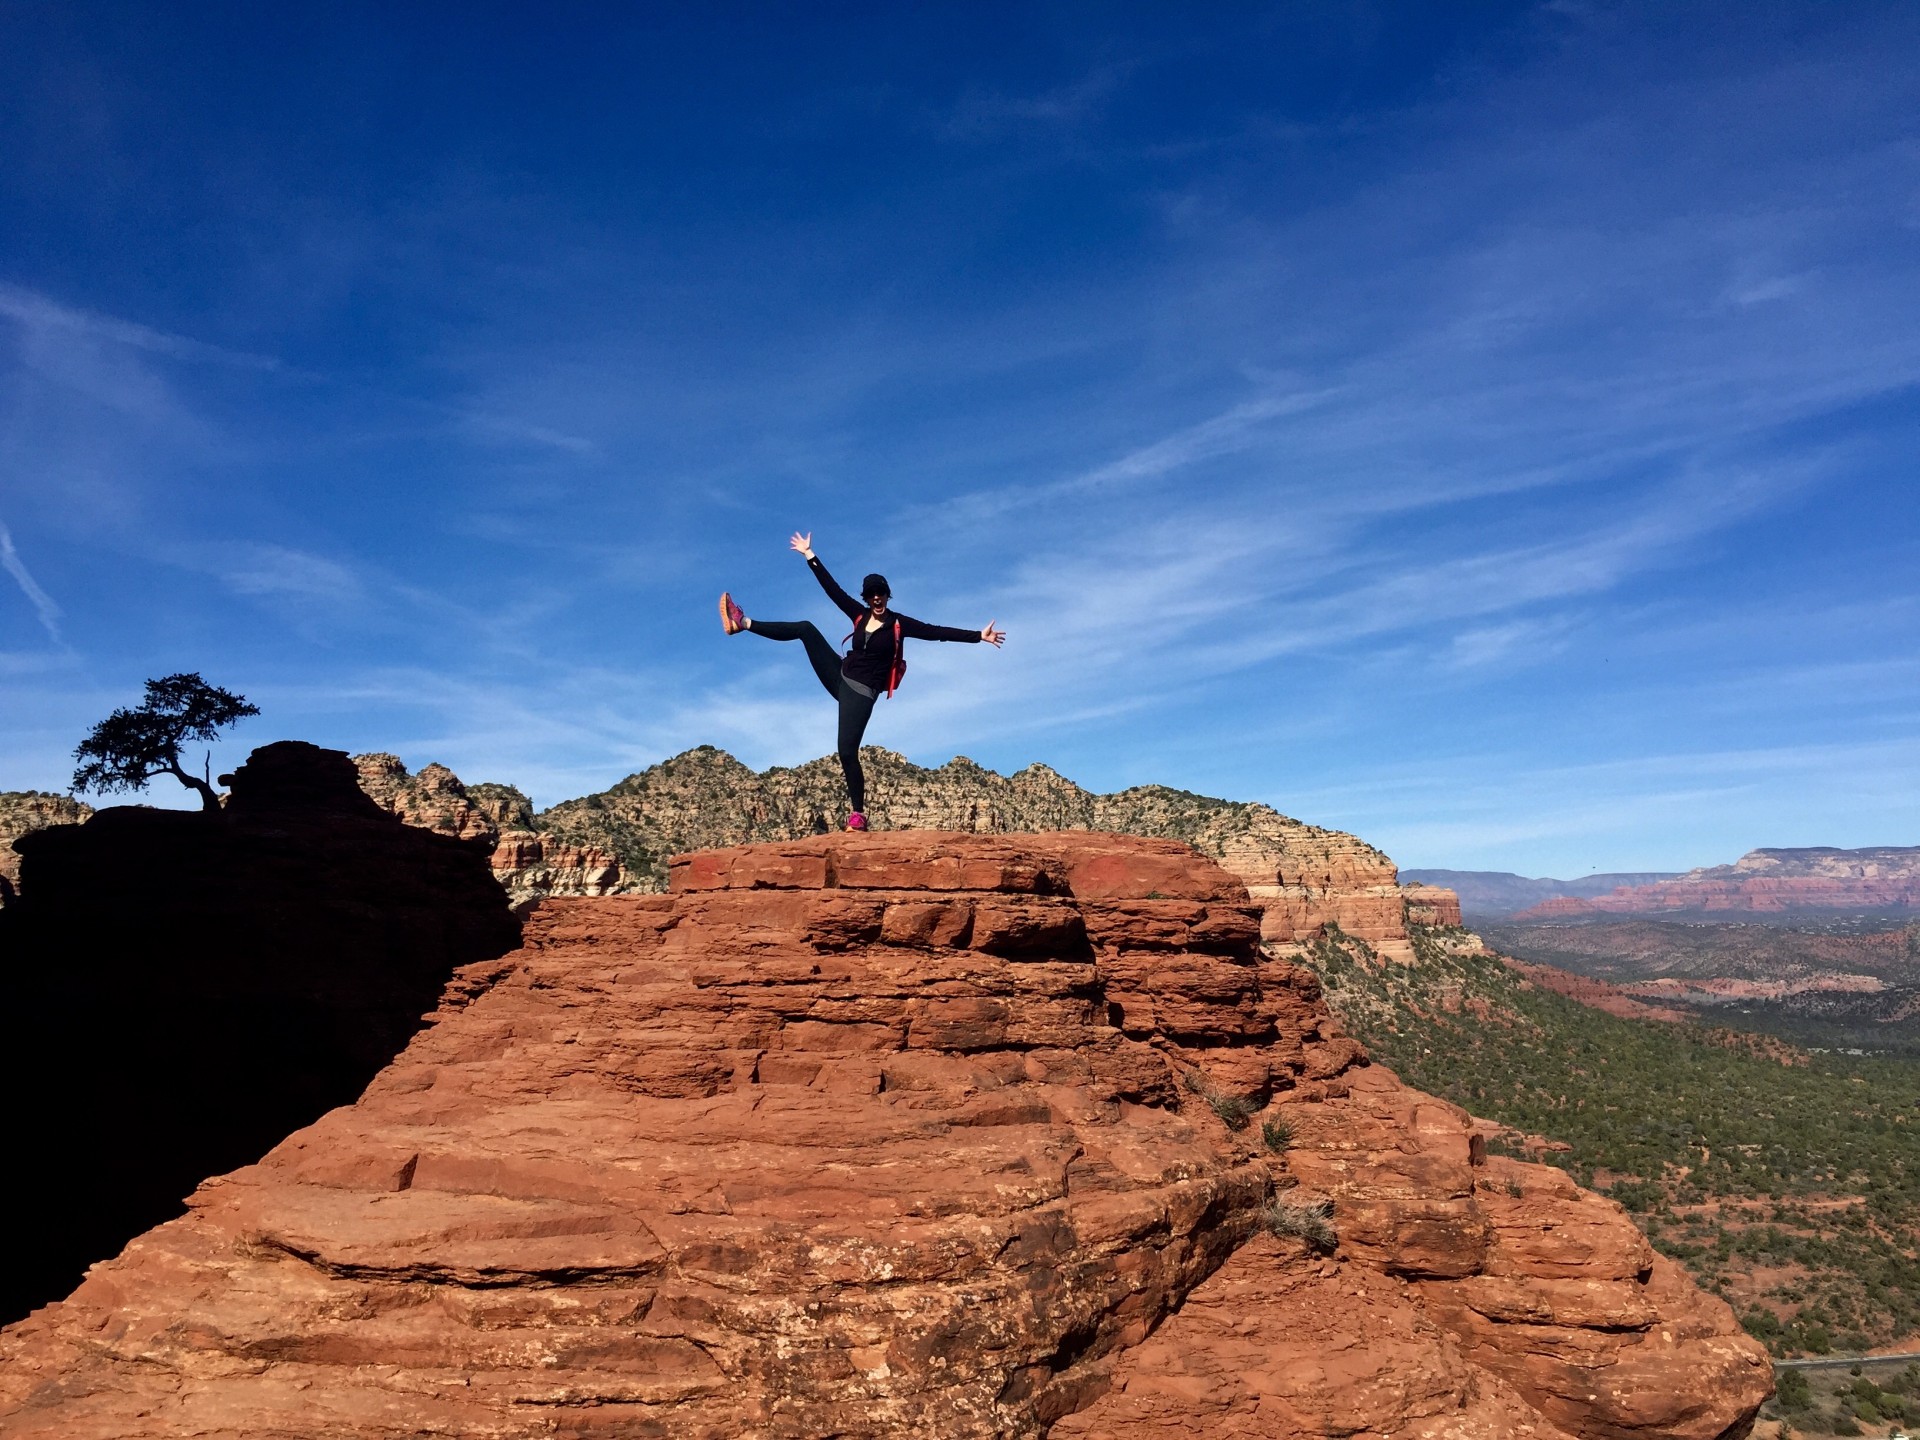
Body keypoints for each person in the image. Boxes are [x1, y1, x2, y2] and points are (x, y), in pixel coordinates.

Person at [720, 531, 1005, 831]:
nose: (876, 597)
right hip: (840, 674)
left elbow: (936, 631)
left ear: (887, 595)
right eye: (871, 594)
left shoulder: (898, 624)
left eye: (880, 592)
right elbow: (833, 590)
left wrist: (978, 636)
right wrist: (810, 555)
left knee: (846, 751)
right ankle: (744, 623)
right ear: (867, 598)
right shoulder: (858, 614)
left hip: (861, 692)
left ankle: (858, 814)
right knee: (805, 629)